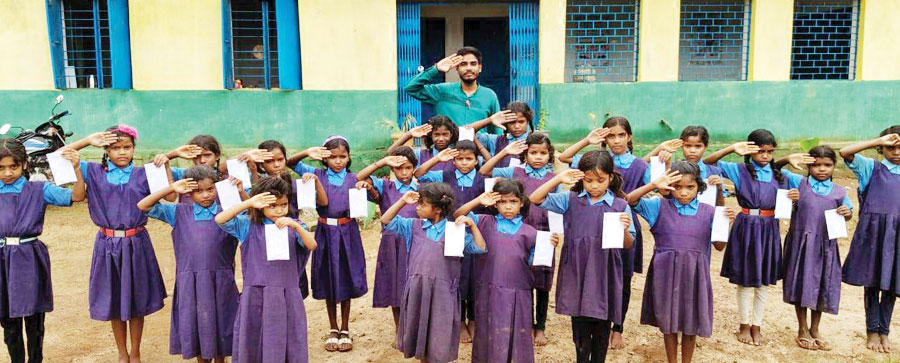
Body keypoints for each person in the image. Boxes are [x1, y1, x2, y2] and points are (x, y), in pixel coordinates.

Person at [66, 125, 168, 363]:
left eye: (127, 147)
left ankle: (135, 351)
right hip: (107, 245)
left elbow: (171, 195)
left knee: (137, 299)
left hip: (137, 242)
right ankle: (121, 352)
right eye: (115, 148)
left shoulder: (145, 173)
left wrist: (168, 159)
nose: (122, 152)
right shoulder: (91, 171)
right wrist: (87, 141)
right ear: (106, 150)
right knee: (114, 299)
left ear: (134, 149)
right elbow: (59, 157)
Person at [529, 151, 635, 363]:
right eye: (588, 180)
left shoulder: (620, 206)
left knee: (601, 327)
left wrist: (624, 229)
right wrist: (559, 178)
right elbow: (534, 198)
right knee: (580, 328)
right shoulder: (570, 200)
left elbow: (628, 243)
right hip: (577, 271)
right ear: (581, 179)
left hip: (604, 272)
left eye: (600, 180)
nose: (594, 186)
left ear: (611, 178)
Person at [627, 161, 734, 363]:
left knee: (690, 320)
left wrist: (726, 223)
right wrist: (653, 185)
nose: (683, 192)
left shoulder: (709, 211)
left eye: (690, 187)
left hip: (694, 274)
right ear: (669, 186)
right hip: (665, 273)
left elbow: (719, 246)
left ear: (699, 187)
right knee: (668, 321)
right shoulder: (658, 206)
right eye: (677, 187)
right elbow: (629, 200)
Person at [558, 117, 651, 349]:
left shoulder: (640, 164)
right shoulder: (596, 161)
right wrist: (587, 140)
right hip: (591, 223)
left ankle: (617, 328)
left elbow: (651, 192)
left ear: (629, 136)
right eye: (611, 135)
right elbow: (564, 158)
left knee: (622, 278)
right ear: (604, 138)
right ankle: (593, 318)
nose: (616, 140)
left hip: (621, 222)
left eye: (621, 135)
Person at [137, 166, 241, 362]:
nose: (205, 195)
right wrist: (172, 188)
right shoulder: (178, 212)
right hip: (190, 282)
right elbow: (143, 205)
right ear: (189, 192)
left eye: (210, 189)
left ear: (216, 188)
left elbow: (251, 216)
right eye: (197, 191)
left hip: (221, 280)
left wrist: (241, 192)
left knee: (222, 324)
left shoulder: (226, 213)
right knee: (197, 326)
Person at [455, 179, 559, 363]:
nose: (508, 207)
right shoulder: (484, 221)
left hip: (518, 294)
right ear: (495, 203)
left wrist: (548, 246)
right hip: (489, 291)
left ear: (522, 203)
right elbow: (458, 215)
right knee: (488, 333)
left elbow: (533, 262)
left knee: (516, 336)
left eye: (513, 202)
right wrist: (479, 200)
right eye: (502, 202)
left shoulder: (531, 232)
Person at [215, 176, 318, 362]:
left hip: (287, 295)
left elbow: (311, 245)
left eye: (283, 204)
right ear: (261, 205)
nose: (279, 210)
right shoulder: (248, 225)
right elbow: (220, 219)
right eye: (272, 205)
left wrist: (296, 226)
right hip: (256, 294)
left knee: (288, 339)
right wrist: (249, 202)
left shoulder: (294, 226)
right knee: (254, 339)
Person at [380, 183, 486, 363]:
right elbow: (386, 220)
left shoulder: (454, 231)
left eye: (422, 204)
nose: (417, 207)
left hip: (443, 294)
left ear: (437, 209)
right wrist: (402, 201)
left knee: (438, 339)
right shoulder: (413, 226)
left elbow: (479, 248)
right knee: (421, 338)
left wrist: (472, 226)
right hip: (418, 290)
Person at [0, 140, 85, 363]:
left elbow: (76, 197)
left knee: (34, 320)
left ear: (25, 165)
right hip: (2, 261)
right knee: (8, 321)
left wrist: (76, 168)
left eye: (13, 166)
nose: (8, 173)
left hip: (29, 259)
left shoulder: (39, 189)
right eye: (1, 168)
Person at [703, 129, 786, 346]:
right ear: (750, 150)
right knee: (746, 279)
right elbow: (708, 161)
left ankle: (757, 324)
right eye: (760, 151)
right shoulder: (739, 170)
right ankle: (744, 323)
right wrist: (732, 149)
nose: (765, 156)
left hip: (769, 228)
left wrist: (786, 162)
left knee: (763, 282)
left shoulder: (779, 174)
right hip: (746, 226)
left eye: (770, 152)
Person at [479, 132, 558, 345]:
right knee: (522, 278)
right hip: (516, 233)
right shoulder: (514, 171)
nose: (538, 157)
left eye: (543, 153)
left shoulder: (553, 178)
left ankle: (539, 326)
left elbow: (557, 209)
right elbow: (485, 170)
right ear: (525, 153)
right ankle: (523, 321)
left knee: (542, 281)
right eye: (533, 152)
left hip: (543, 233)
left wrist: (557, 234)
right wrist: (505, 151)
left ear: (549, 155)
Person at [291, 136, 367, 352]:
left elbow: (370, 191)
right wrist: (308, 152)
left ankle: (345, 328)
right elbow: (290, 163)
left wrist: (365, 186)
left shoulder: (354, 178)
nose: (337, 161)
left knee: (345, 276)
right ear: (324, 158)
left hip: (348, 233)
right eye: (332, 157)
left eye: (342, 156)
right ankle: (332, 328)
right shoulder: (315, 174)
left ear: (349, 157)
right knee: (329, 277)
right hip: (325, 232)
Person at [774, 147, 852, 351]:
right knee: (801, 283)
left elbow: (849, 212)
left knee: (822, 285)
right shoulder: (797, 183)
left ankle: (815, 328)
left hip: (826, 246)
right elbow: (775, 168)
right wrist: (788, 158)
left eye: (827, 165)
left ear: (834, 166)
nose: (822, 169)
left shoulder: (839, 191)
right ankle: (802, 328)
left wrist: (846, 212)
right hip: (801, 243)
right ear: (808, 166)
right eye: (816, 165)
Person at [415, 139, 486, 343]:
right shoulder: (444, 175)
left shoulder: (483, 178)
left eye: (469, 159)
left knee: (476, 275)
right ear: (453, 160)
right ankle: (460, 320)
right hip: (450, 232)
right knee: (458, 274)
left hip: (474, 231)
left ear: (476, 160)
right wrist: (438, 158)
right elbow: (419, 174)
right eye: (459, 158)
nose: (464, 162)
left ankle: (473, 318)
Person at [839, 125, 900, 353]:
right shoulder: (870, 168)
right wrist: (877, 140)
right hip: (874, 234)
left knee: (894, 284)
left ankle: (885, 331)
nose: (896, 152)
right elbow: (845, 152)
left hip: (898, 237)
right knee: (873, 282)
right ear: (881, 148)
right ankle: (872, 331)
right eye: (890, 147)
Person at [355, 147, 419, 338]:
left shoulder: (421, 188)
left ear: (414, 168)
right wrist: (383, 162)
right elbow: (359, 177)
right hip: (392, 243)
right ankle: (399, 329)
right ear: (392, 169)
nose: (404, 173)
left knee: (414, 284)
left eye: (408, 168)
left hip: (416, 242)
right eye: (399, 169)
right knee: (395, 285)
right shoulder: (385, 186)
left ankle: (413, 328)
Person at [403, 46, 512, 129]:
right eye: (464, 64)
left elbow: (496, 129)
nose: (469, 68)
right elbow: (411, 88)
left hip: (477, 155)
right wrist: (436, 69)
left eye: (473, 64)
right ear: (457, 68)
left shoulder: (489, 96)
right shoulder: (441, 91)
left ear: (480, 68)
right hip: (447, 154)